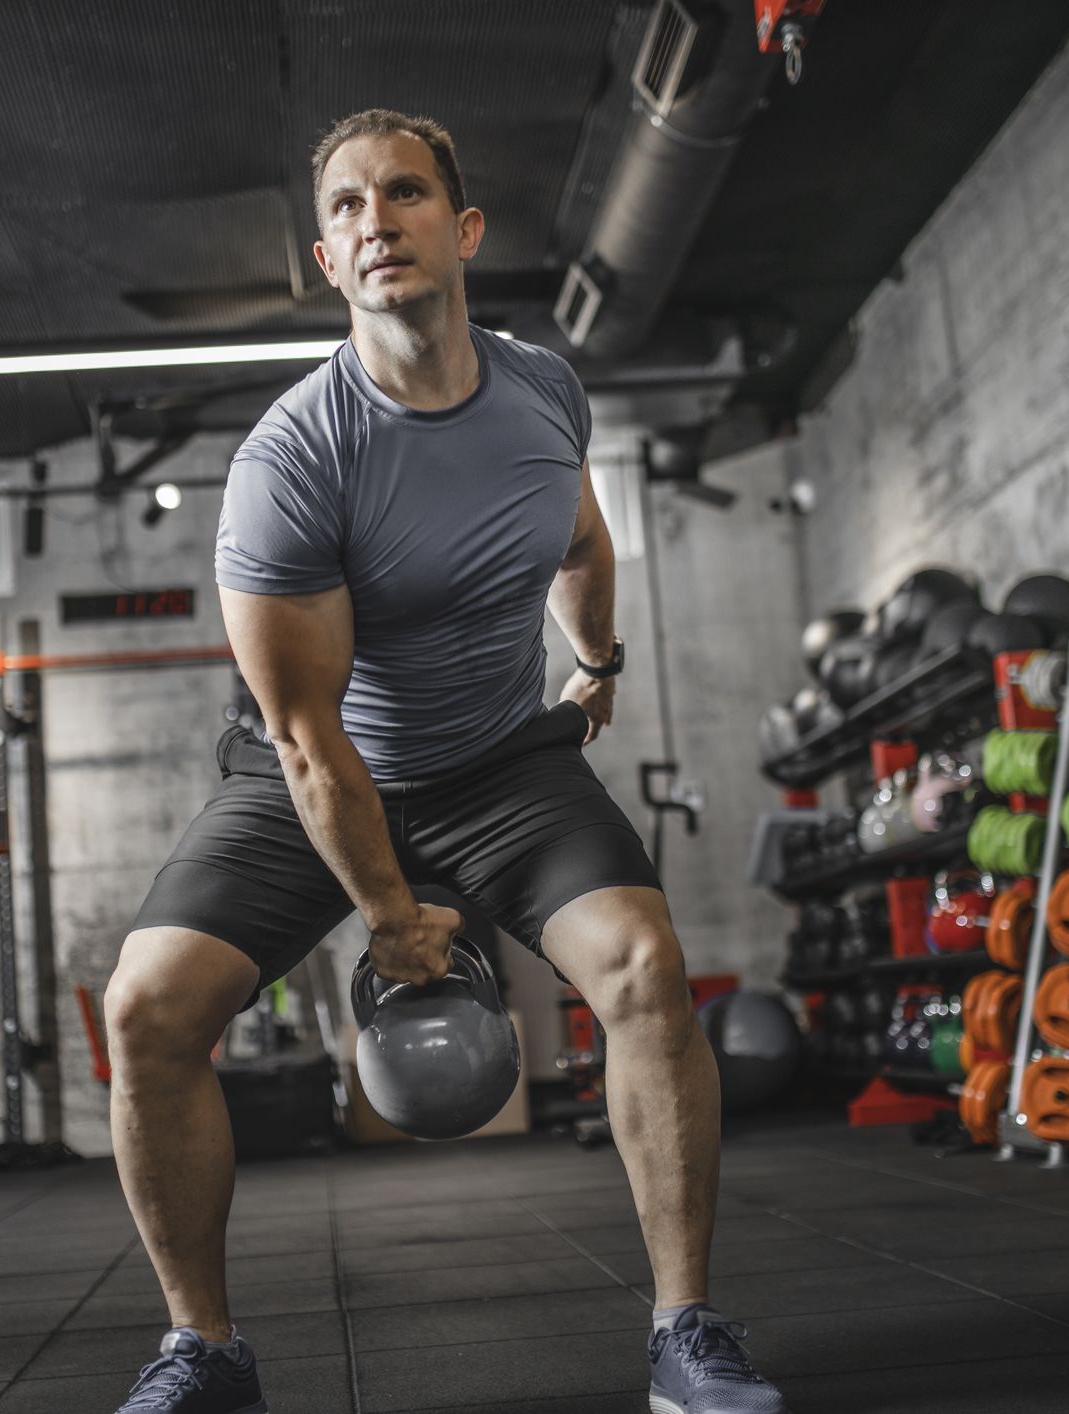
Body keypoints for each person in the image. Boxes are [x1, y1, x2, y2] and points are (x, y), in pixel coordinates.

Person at [104, 108, 786, 1414]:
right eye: (349, 209)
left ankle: (684, 1330)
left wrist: (595, 665)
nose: (378, 223)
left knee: (646, 969)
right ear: (326, 258)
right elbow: (308, 739)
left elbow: (579, 540)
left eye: (403, 194)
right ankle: (203, 1349)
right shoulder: (291, 463)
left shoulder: (540, 388)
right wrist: (388, 920)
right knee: (146, 1008)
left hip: (496, 767)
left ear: (461, 228)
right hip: (311, 777)